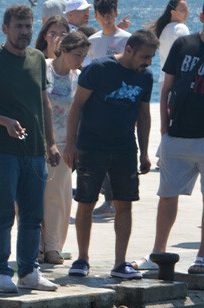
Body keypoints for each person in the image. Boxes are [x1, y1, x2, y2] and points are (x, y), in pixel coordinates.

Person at [136, 0, 204, 275]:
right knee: (167, 195)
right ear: (201, 17)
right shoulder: (183, 45)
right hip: (178, 135)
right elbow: (166, 88)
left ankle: (203, 256)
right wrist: (164, 130)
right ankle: (158, 253)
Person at [0, 4, 60, 293]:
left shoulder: (37, 58)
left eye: (28, 26)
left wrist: (51, 143)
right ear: (5, 28)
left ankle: (29, 271)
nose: (24, 32)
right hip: (1, 151)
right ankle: (0, 272)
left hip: (34, 151)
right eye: (18, 26)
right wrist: (4, 121)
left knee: (33, 215)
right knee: (3, 212)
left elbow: (44, 102)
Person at [64, 30, 157, 279]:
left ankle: (119, 263)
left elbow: (144, 115)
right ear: (129, 50)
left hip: (124, 148)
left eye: (151, 57)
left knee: (124, 204)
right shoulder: (98, 69)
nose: (148, 62)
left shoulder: (146, 77)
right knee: (86, 202)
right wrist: (70, 144)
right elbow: (77, 106)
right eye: (145, 56)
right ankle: (82, 259)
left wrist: (145, 152)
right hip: (92, 146)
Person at [39, 30, 89, 265]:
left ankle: (53, 247)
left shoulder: (79, 77)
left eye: (84, 56)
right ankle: (35, 246)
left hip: (65, 144)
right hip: (38, 142)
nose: (80, 61)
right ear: (64, 50)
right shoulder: (43, 68)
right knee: (32, 197)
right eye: (77, 55)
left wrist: (75, 144)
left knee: (58, 197)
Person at [86, 0, 133, 219]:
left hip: (121, 106)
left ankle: (117, 201)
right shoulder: (92, 41)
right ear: (96, 15)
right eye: (102, 14)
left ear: (116, 13)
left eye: (110, 13)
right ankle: (107, 199)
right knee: (97, 156)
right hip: (96, 107)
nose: (106, 18)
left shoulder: (127, 39)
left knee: (119, 157)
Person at [148, 0, 190, 92]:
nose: (187, 13)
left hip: (163, 81)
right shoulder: (181, 28)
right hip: (177, 80)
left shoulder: (163, 29)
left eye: (187, 9)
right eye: (183, 10)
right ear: (173, 12)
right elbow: (187, 55)